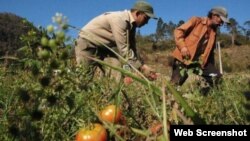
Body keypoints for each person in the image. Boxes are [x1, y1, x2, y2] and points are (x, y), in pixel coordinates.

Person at [75, 1, 158, 82]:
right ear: (138, 13)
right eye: (146, 18)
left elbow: (131, 50)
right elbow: (124, 50)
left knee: (116, 67)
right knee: (85, 76)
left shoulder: (132, 27)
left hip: (103, 48)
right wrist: (142, 68)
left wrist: (140, 67)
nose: (147, 22)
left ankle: (116, 89)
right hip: (87, 43)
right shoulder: (120, 20)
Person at [170, 6, 230, 93]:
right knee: (175, 85)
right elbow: (178, 31)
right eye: (221, 20)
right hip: (184, 59)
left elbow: (210, 53)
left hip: (200, 62)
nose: (221, 24)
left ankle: (202, 97)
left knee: (217, 78)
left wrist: (212, 67)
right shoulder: (196, 21)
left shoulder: (213, 33)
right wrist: (183, 47)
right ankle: (166, 101)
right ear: (214, 15)